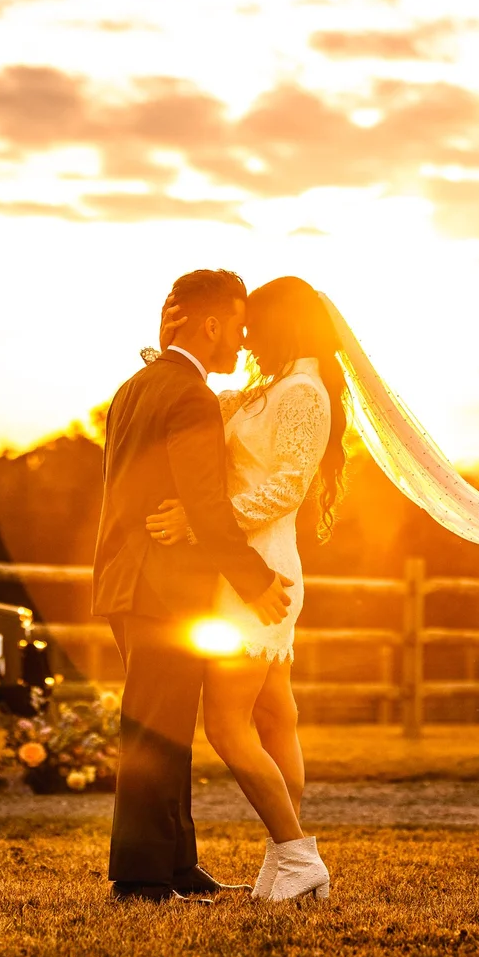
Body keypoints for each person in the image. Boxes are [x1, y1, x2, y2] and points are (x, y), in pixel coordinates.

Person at [91, 268, 294, 905]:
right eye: (236, 326)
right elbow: (204, 504)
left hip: (128, 579)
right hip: (162, 585)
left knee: (167, 728)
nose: (241, 340)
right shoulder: (189, 396)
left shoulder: (135, 387)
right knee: (154, 732)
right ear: (210, 325)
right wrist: (255, 578)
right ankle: (142, 879)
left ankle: (177, 867)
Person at [145, 275, 346, 901]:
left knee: (227, 726)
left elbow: (287, 488)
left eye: (254, 321)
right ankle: (285, 862)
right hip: (248, 563)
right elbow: (187, 389)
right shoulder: (266, 391)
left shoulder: (304, 394)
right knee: (275, 714)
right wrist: (167, 339)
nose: (244, 333)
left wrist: (204, 525)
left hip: (257, 571)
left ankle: (295, 855)